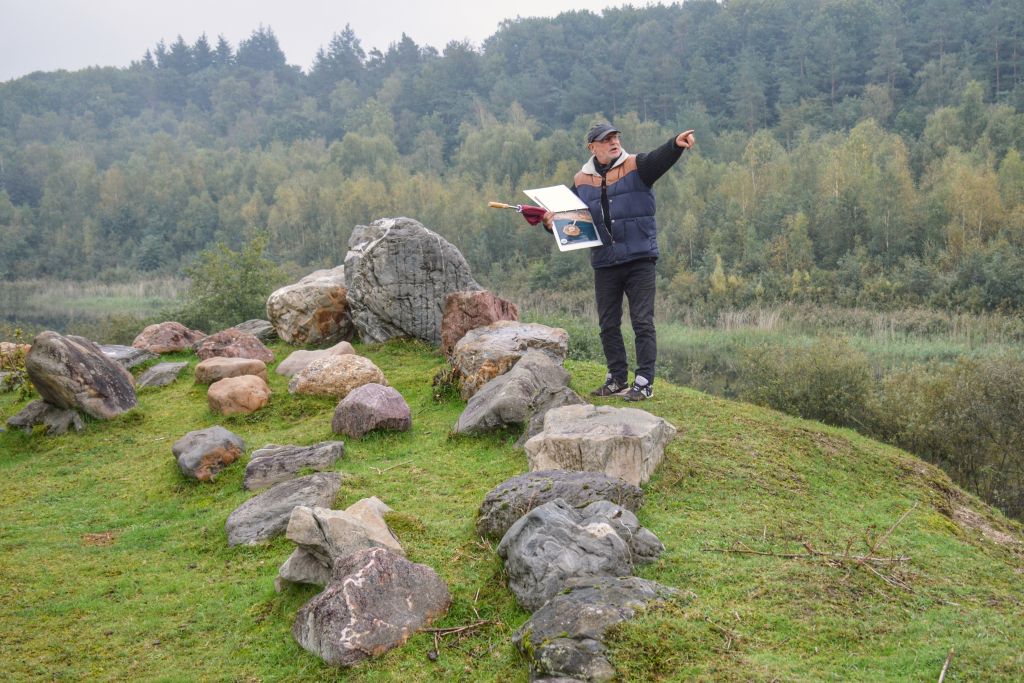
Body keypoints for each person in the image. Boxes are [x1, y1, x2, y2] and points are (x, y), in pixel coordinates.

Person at [544, 121, 695, 401]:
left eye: (615, 137)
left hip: (639, 259)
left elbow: (659, 158)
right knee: (608, 324)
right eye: (606, 139)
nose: (614, 142)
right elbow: (567, 218)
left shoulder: (637, 166)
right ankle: (616, 378)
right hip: (605, 262)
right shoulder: (581, 180)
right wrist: (548, 222)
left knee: (642, 322)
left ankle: (644, 382)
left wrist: (676, 143)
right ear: (593, 147)